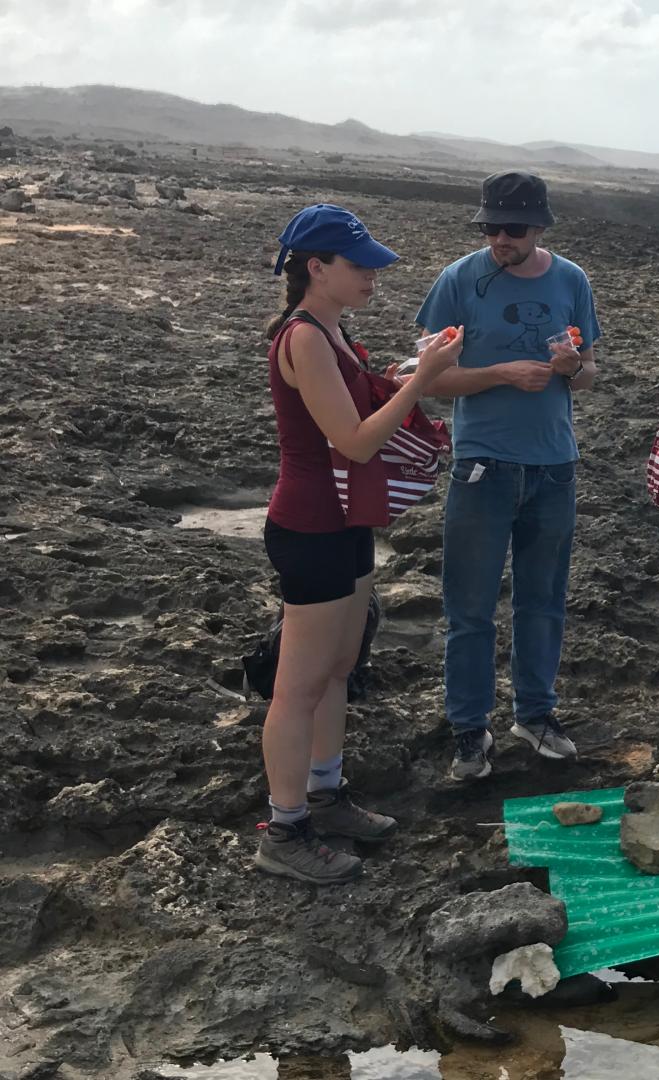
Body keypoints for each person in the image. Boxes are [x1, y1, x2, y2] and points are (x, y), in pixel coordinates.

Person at [256, 204, 463, 884]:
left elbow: (357, 417)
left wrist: (410, 376)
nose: (374, 273)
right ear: (317, 268)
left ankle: (326, 792)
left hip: (343, 525)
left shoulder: (335, 331)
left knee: (339, 666)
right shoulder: (305, 339)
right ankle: (283, 830)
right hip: (310, 525)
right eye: (359, 264)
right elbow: (355, 440)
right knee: (298, 684)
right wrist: (426, 382)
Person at [413, 171, 601, 781]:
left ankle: (536, 715)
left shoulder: (572, 281)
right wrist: (501, 374)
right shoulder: (460, 280)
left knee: (543, 602)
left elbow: (590, 372)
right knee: (469, 607)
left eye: (512, 229)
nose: (499, 238)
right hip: (481, 465)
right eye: (490, 227)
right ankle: (470, 729)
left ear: (540, 227)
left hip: (553, 466)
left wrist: (573, 367)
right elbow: (426, 380)